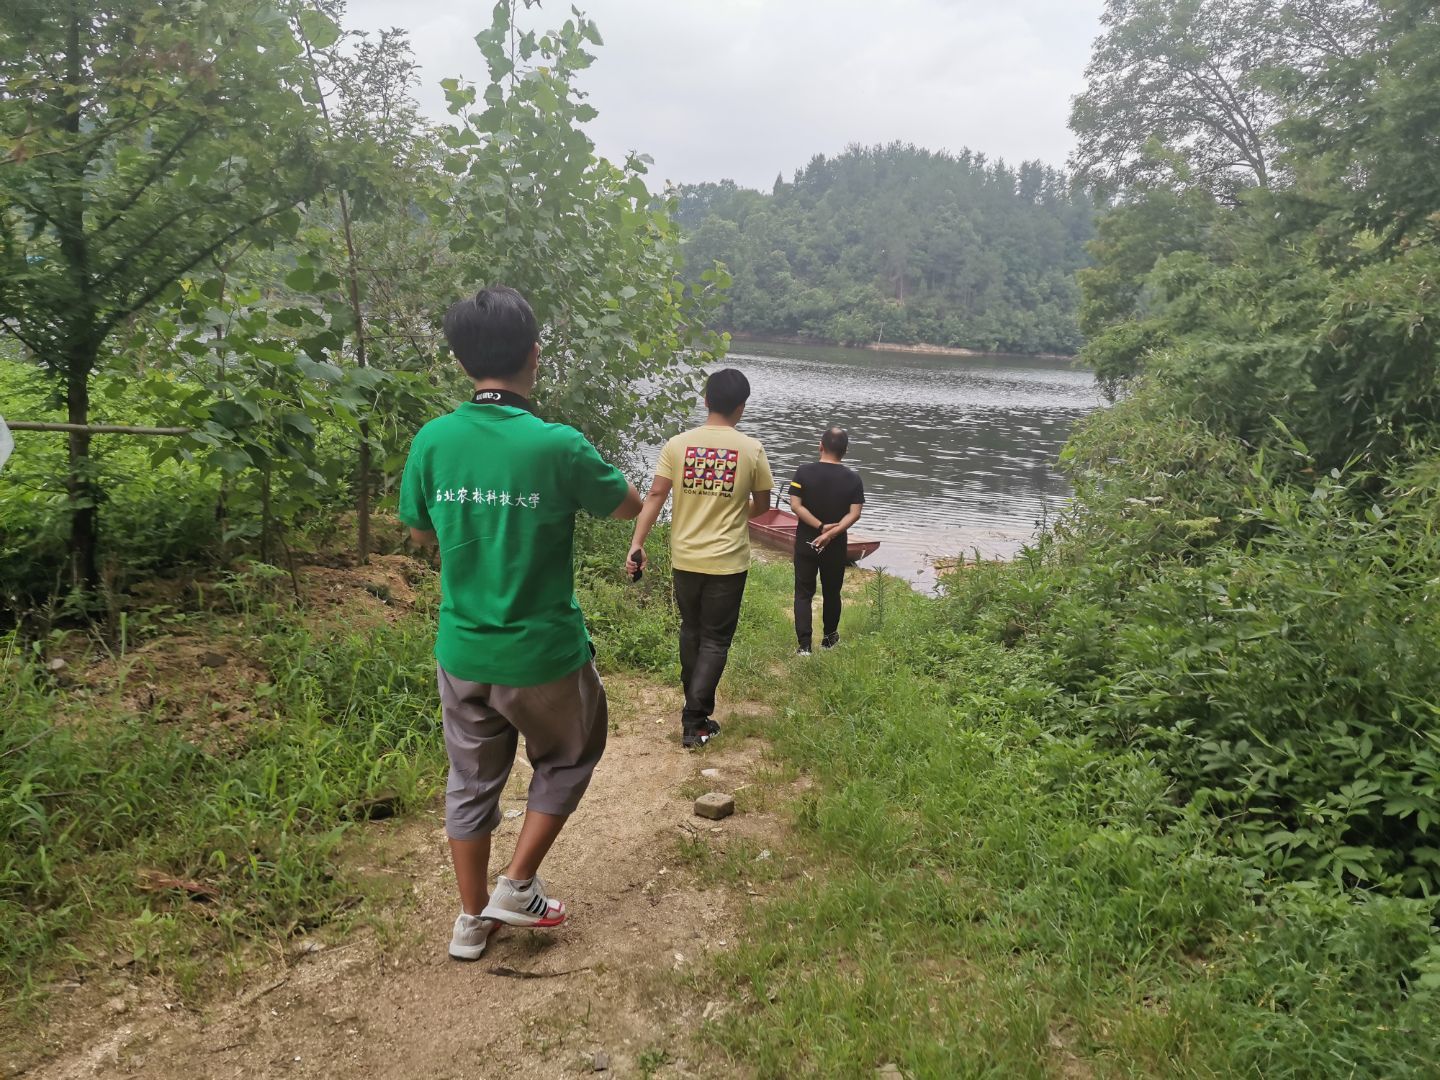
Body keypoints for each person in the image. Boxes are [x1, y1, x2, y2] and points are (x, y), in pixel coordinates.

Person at [398, 285, 643, 962]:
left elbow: (419, 531)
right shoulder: (555, 445)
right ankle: (519, 882)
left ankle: (472, 921)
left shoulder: (434, 440)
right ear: (535, 357)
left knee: (470, 782)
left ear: (459, 362)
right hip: (544, 655)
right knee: (568, 756)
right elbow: (625, 506)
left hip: (464, 648)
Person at [626, 369, 773, 748]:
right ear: (741, 407)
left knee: (692, 630)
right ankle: (695, 720)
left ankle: (694, 708)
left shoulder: (678, 445)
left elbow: (655, 496)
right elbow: (762, 505)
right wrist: (734, 515)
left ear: (705, 400)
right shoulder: (752, 449)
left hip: (685, 558)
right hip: (727, 561)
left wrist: (636, 543)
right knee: (715, 639)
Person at [789, 425, 864, 655]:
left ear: (820, 446)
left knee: (803, 592)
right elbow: (855, 513)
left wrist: (820, 528)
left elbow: (795, 505)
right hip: (836, 545)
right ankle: (829, 641)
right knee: (832, 592)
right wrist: (832, 533)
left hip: (806, 542)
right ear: (846, 451)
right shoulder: (853, 479)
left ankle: (804, 647)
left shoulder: (803, 472)